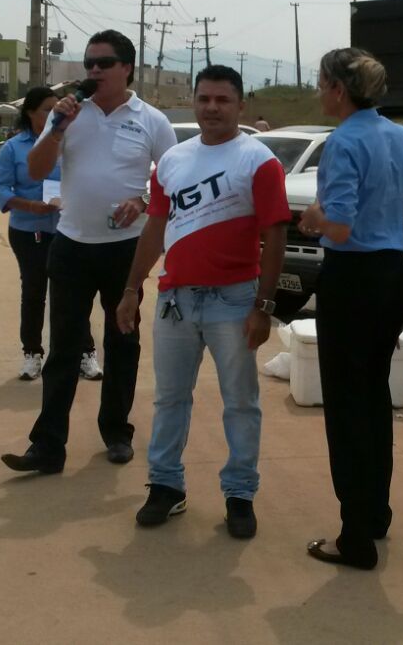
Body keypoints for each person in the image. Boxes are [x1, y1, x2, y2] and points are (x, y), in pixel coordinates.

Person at [115, 65, 290, 540]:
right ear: (194, 102)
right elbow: (155, 229)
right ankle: (165, 486)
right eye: (204, 99)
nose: (212, 108)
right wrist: (131, 289)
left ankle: (240, 494)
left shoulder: (259, 161)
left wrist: (264, 306)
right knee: (170, 398)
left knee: (240, 403)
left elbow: (275, 235)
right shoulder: (173, 160)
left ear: (240, 106)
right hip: (176, 300)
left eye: (223, 100)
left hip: (235, 301)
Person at [1, 30, 175, 473]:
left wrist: (142, 199)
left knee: (123, 342)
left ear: (126, 68)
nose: (94, 70)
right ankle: (48, 446)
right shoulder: (69, 114)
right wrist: (57, 127)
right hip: (71, 245)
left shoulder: (152, 120)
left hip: (125, 250)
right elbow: (37, 169)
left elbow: (173, 178)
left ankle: (116, 432)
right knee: (63, 348)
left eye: (104, 63)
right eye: (89, 63)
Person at [298, 48, 403, 570]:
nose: (319, 92)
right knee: (374, 399)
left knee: (346, 408)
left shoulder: (343, 141)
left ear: (339, 89)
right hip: (391, 275)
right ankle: (374, 514)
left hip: (353, 279)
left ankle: (354, 536)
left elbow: (338, 227)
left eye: (321, 83)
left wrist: (315, 215)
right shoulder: (400, 136)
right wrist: (380, 208)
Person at [0, 87, 103, 383]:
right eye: (47, 109)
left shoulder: (72, 142)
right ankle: (32, 353)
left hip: (70, 229)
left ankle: (85, 352)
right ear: (30, 112)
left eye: (59, 108)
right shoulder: (13, 148)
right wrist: (29, 205)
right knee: (34, 291)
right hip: (29, 230)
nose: (55, 113)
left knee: (74, 294)